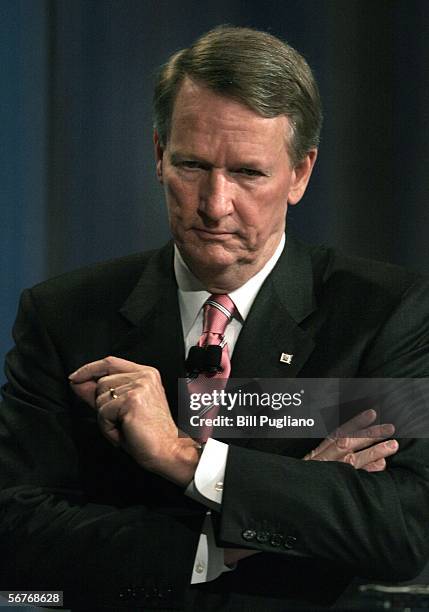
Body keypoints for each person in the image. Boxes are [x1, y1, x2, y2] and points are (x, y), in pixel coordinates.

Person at [1, 25, 429, 611]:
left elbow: (401, 533)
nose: (214, 203)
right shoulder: (63, 315)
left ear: (300, 173)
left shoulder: (384, 313)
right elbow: (18, 538)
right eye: (192, 165)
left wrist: (186, 459)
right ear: (158, 156)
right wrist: (225, 543)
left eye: (249, 173)